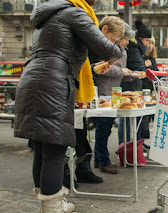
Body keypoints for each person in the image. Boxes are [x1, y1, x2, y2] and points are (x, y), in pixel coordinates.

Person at [13, 0, 121, 212]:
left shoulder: (48, 16)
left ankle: (46, 205)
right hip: (53, 82)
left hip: (33, 78)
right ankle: (53, 208)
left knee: (42, 147)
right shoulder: (76, 14)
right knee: (55, 148)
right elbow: (107, 48)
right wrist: (115, 55)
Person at [90, 16, 134, 174]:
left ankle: (99, 159)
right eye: (125, 39)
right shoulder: (107, 47)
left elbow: (116, 71)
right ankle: (102, 160)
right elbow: (104, 68)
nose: (126, 42)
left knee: (106, 128)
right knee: (103, 127)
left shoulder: (122, 51)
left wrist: (129, 74)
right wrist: (122, 71)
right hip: (104, 90)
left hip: (115, 90)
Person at [118, 20, 151, 145]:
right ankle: (125, 146)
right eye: (147, 41)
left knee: (129, 119)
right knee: (126, 118)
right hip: (129, 86)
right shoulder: (134, 49)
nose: (147, 44)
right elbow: (139, 69)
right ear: (140, 38)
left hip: (133, 85)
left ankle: (130, 145)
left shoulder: (135, 49)